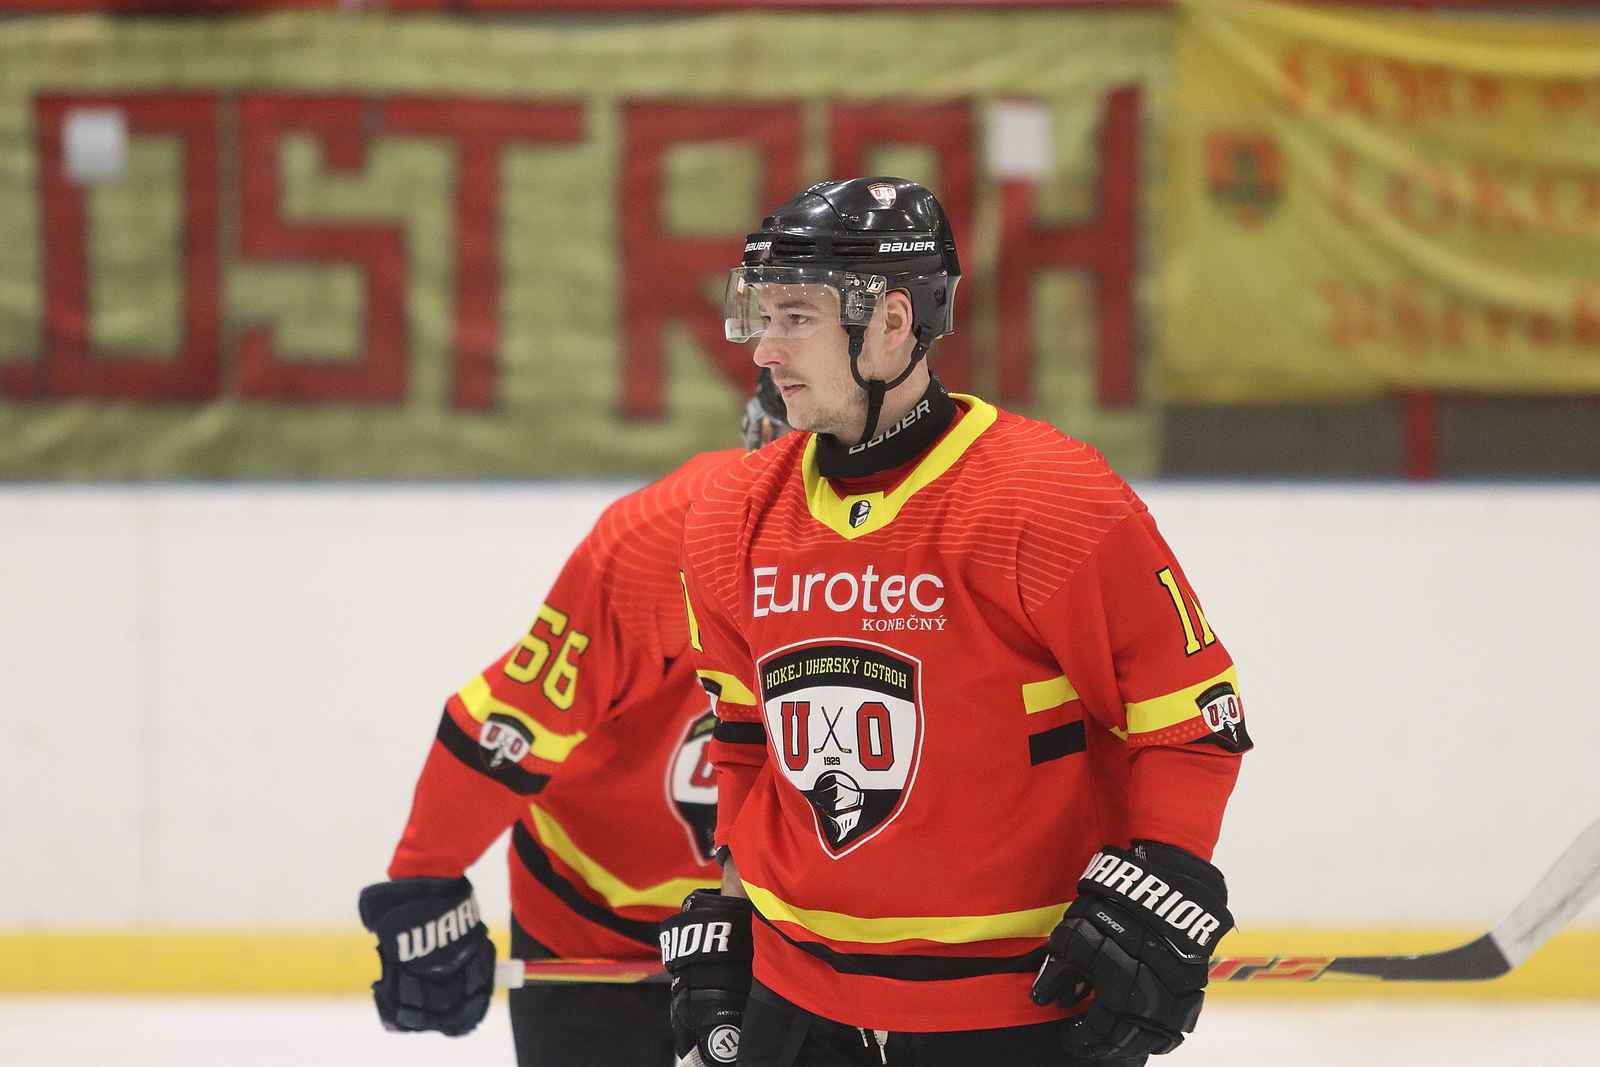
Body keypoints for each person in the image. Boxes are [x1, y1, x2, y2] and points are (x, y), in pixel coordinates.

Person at [664, 178, 1253, 1067]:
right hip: (795, 1004)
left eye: (796, 318)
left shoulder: (1047, 499)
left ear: (891, 322)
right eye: (762, 315)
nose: (765, 350)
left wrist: (1165, 876)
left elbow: (1188, 713)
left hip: (1013, 1009)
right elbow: (747, 739)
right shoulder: (730, 514)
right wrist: (733, 904)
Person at [358, 377, 791, 1066]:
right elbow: (515, 724)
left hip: (790, 930)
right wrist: (424, 882)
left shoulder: (914, 554)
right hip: (591, 920)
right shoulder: (654, 545)